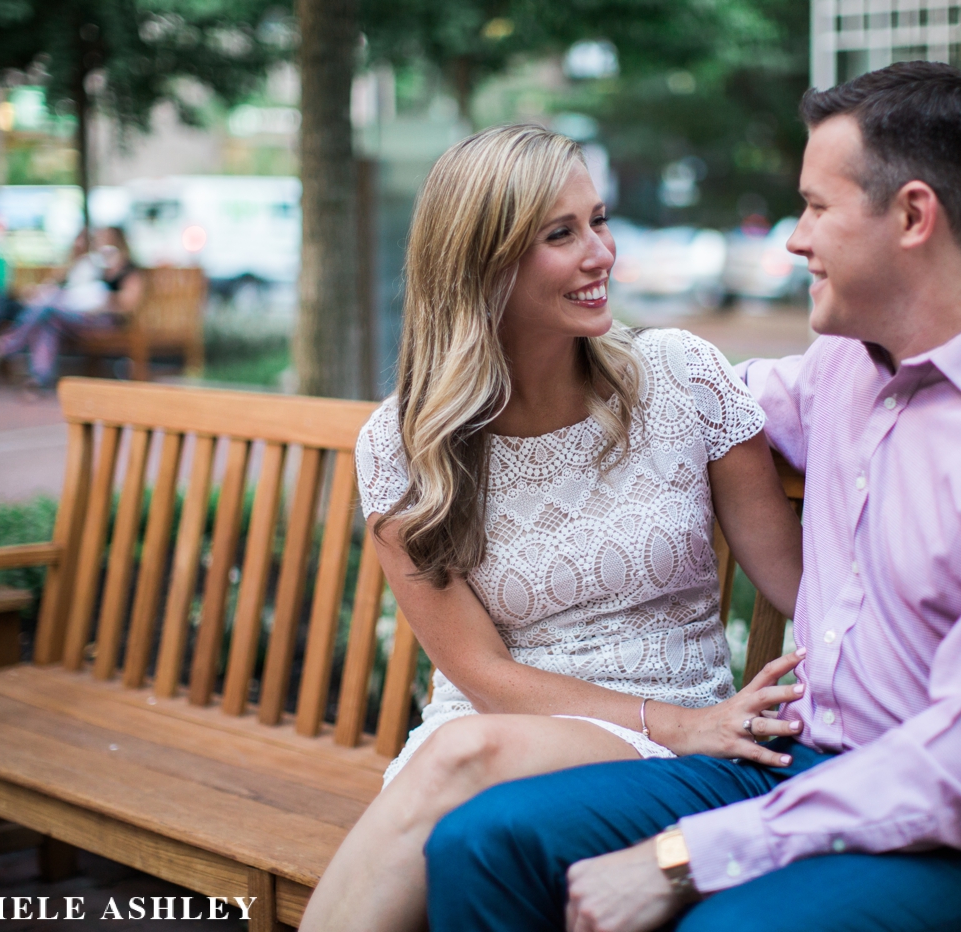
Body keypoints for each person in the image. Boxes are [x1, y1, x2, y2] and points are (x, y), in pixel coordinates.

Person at [422, 62, 961, 932]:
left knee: (727, 928)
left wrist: (684, 856)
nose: (793, 241)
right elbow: (680, 402)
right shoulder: (850, 363)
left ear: (914, 216)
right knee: (484, 841)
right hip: (799, 762)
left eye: (816, 207)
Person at [298, 125, 806, 932]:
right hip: (503, 732)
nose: (600, 252)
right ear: (482, 263)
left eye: (597, 221)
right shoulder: (406, 444)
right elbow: (482, 675)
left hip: (669, 741)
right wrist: (682, 727)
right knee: (461, 760)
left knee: (461, 768)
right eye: (560, 234)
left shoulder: (680, 378)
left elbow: (798, 586)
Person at [0, 226, 142, 386]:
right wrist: (75, 262)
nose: (102, 244)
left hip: (102, 320)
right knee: (48, 319)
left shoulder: (128, 269)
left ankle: (0, 348)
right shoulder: (94, 265)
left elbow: (127, 303)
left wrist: (101, 299)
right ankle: (39, 378)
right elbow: (55, 285)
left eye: (106, 239)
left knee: (47, 309)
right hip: (71, 315)